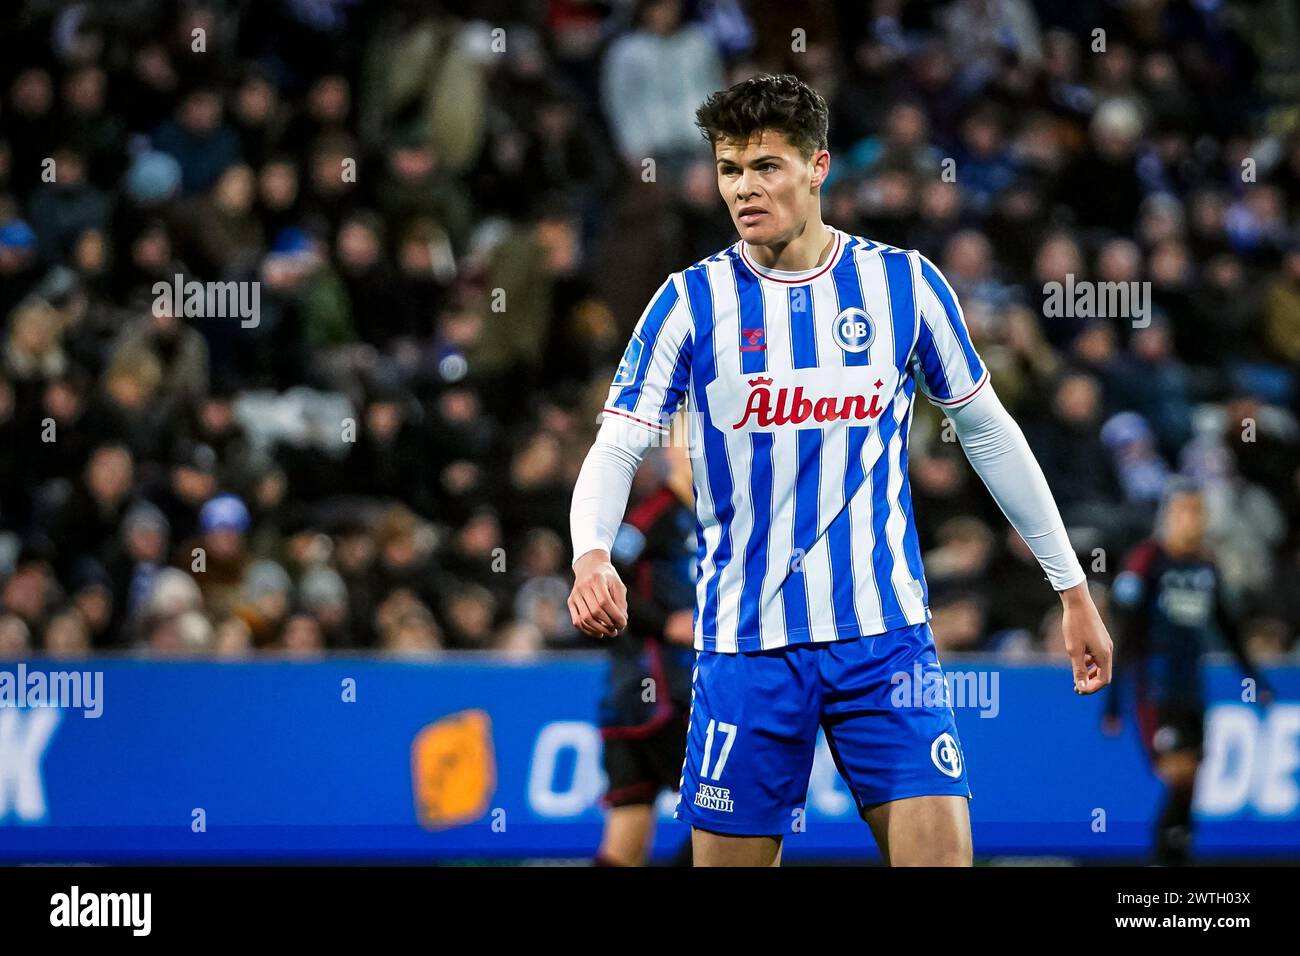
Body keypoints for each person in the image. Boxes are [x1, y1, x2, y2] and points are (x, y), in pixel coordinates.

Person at [568, 73, 1112, 867]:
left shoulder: (903, 285)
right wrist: (589, 552)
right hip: (745, 650)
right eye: (729, 169)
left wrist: (1071, 588)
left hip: (885, 641)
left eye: (766, 167)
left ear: (818, 166)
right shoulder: (689, 302)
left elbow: (989, 432)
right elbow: (617, 444)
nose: (744, 189)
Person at [1103, 479, 1273, 865]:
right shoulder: (1147, 561)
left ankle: (1177, 848)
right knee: (1177, 771)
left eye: (1198, 511)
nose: (1191, 520)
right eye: (1183, 511)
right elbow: (1126, 634)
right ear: (1168, 515)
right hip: (1155, 687)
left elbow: (1227, 626)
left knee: (1194, 775)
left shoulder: (1205, 565)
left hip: (1191, 686)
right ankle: (1166, 849)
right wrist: (1113, 703)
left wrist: (1255, 679)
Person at [594, 433, 696, 867]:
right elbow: (602, 575)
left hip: (640, 703)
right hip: (657, 694)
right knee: (730, 808)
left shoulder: (729, 517)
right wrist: (666, 623)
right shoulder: (653, 515)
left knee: (625, 842)